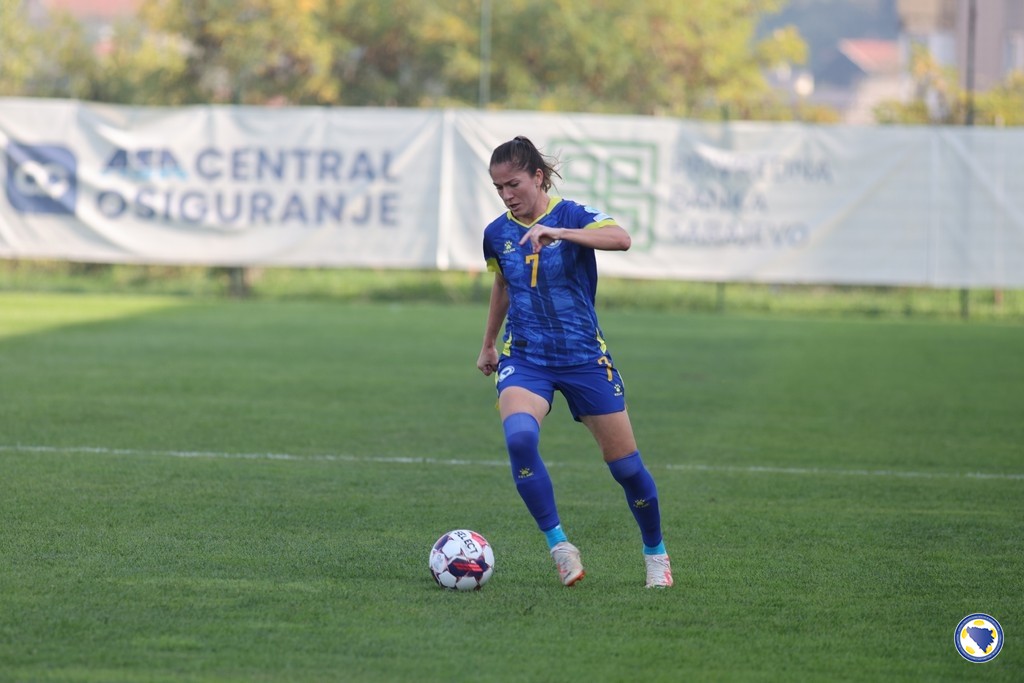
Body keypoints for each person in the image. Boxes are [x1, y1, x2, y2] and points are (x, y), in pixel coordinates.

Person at [476, 136, 672, 588]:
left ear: (538, 177)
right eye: (498, 187)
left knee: (626, 468)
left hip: (584, 357)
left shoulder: (572, 215)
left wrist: (559, 233)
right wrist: (488, 343)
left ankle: (655, 553)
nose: (506, 195)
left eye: (513, 184)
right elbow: (503, 284)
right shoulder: (496, 233)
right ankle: (560, 546)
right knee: (520, 440)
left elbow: (621, 239)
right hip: (526, 357)